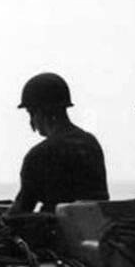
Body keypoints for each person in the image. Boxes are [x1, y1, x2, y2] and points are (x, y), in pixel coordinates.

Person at [9, 73, 109, 214]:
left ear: (35, 112)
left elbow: (22, 208)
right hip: (97, 230)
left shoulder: (40, 154)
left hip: (57, 233)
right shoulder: (90, 143)